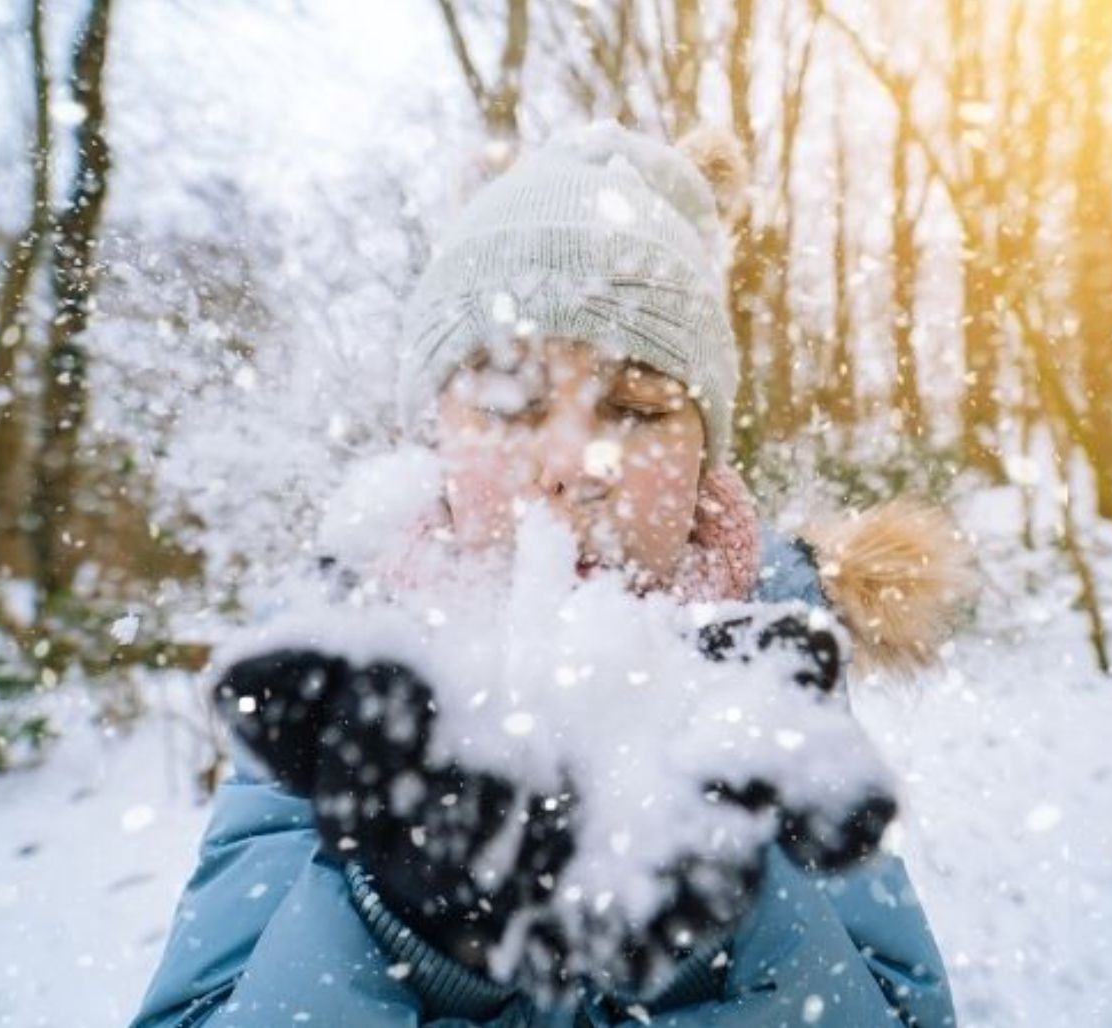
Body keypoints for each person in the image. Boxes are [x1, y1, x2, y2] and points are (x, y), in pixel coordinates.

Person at [130, 122, 962, 1027]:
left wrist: (704, 928)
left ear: (701, 465)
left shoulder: (772, 679)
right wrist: (404, 927)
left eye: (637, 408)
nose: (571, 461)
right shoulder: (333, 694)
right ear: (435, 440)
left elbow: (902, 1011)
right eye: (510, 401)